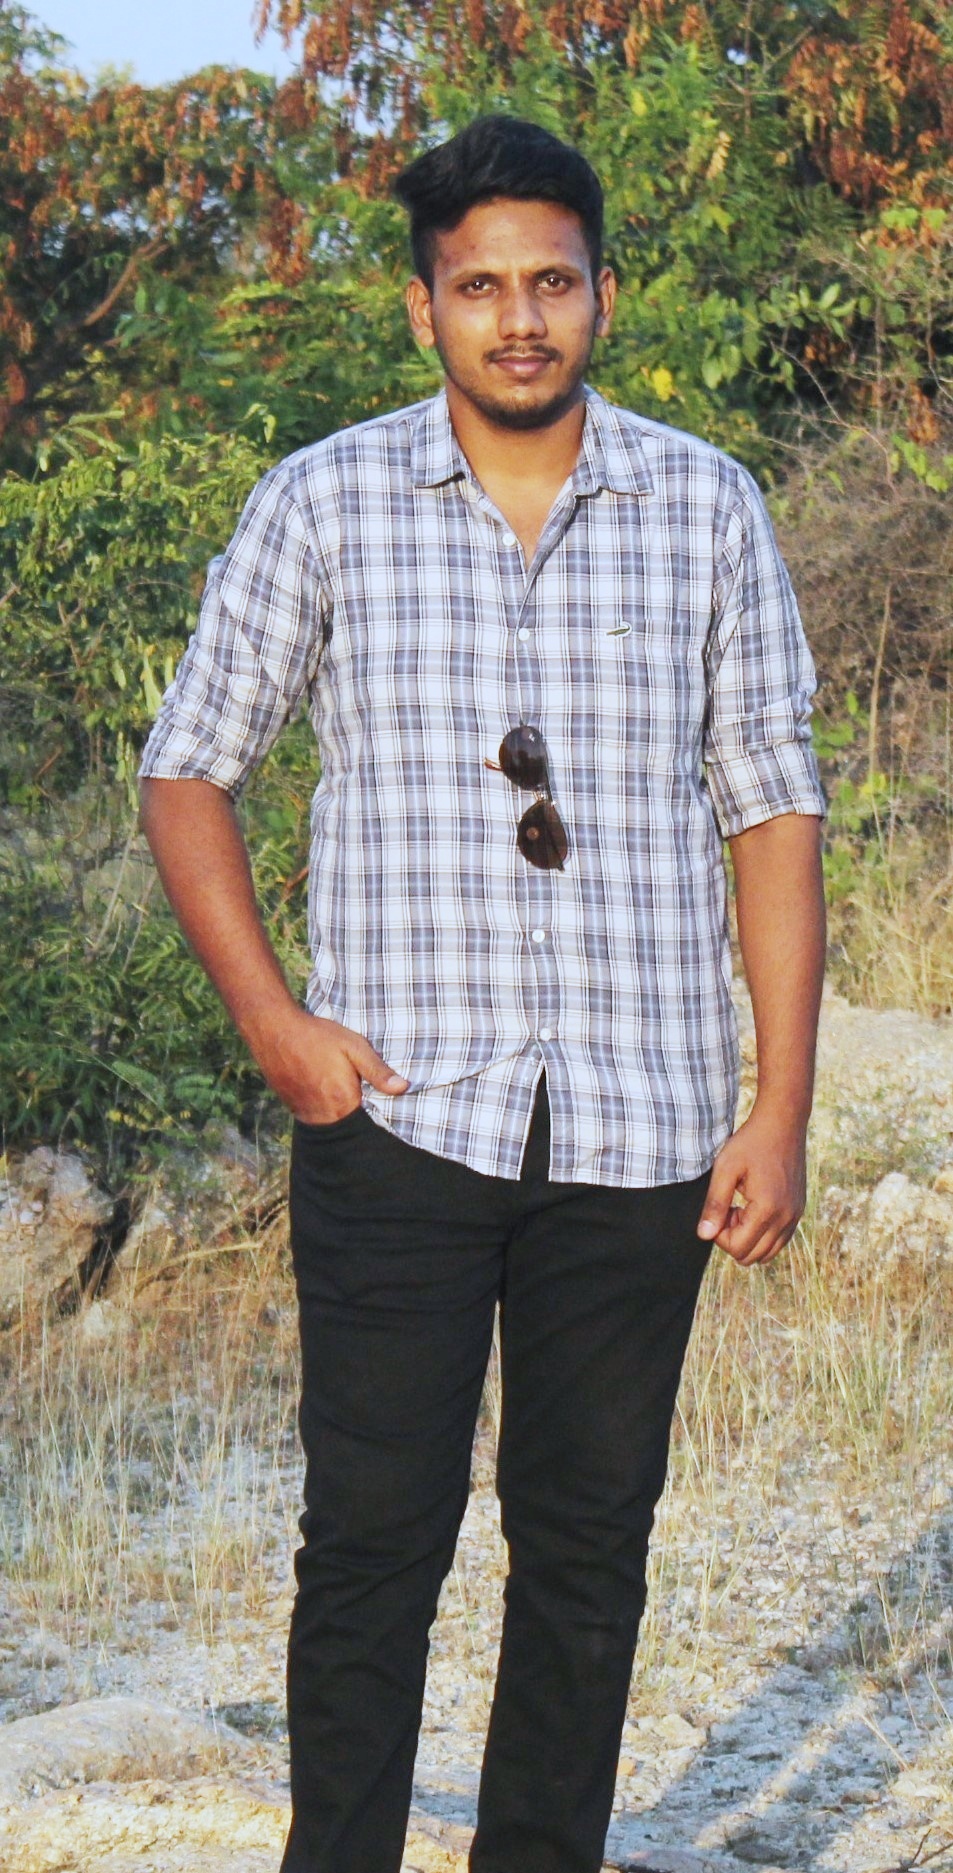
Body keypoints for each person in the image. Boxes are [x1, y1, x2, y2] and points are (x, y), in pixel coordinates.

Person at [138, 114, 826, 1873]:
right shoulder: (323, 500)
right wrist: (277, 1028)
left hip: (641, 1117)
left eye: (551, 282)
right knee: (372, 1541)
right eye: (479, 287)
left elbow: (769, 808)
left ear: (603, 291)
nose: (519, 319)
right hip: (398, 1114)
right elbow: (188, 766)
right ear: (422, 305)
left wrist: (778, 1104)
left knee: (588, 1547)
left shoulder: (705, 506)